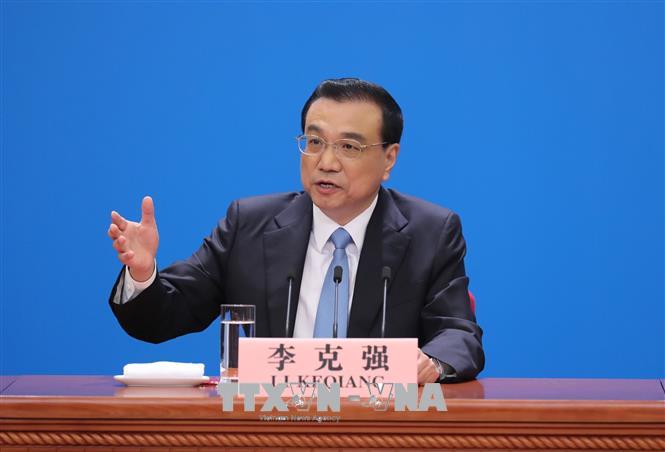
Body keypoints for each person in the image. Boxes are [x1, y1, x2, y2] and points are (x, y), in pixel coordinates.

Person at [108, 78, 484, 383]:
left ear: (389, 159)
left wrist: (431, 363)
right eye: (314, 142)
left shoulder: (430, 233)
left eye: (349, 146)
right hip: (270, 427)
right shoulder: (248, 226)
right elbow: (163, 317)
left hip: (379, 430)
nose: (326, 162)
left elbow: (459, 335)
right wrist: (142, 273)